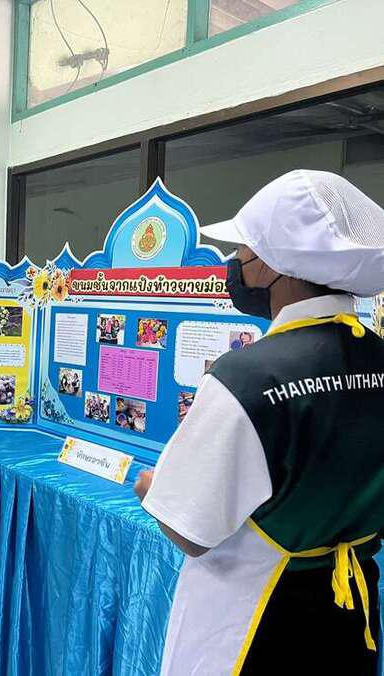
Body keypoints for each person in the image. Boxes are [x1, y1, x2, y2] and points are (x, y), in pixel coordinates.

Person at [134, 170, 384, 675]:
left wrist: (151, 488)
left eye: (243, 250)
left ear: (272, 264)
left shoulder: (246, 378)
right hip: (351, 619)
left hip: (260, 624)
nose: (236, 263)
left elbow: (190, 531)